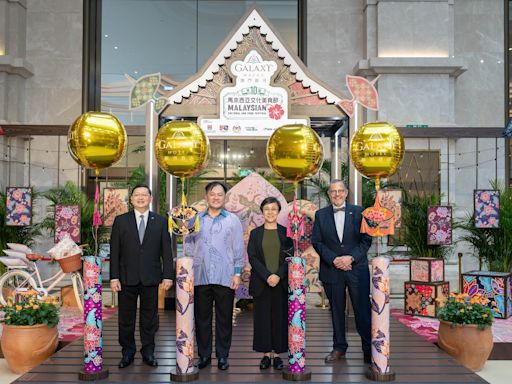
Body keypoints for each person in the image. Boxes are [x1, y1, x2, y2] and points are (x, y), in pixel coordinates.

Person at [110, 184, 174, 369]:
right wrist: (114, 277)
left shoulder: (161, 221)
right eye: (136, 195)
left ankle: (148, 351)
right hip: (126, 278)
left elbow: (166, 252)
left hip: (151, 278)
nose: (140, 198)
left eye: (144, 195)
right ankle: (127, 352)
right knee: (126, 318)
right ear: (131, 199)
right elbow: (115, 252)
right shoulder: (121, 221)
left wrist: (167, 276)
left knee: (149, 318)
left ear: (150, 198)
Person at [184, 181, 244, 370]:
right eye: (212, 194)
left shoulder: (232, 220)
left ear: (224, 197)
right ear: (206, 197)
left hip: (225, 276)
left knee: (224, 318)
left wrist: (237, 273)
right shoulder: (195, 219)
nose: (216, 197)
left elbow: (238, 249)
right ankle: (203, 356)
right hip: (200, 276)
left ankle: (223, 355)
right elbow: (188, 247)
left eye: (220, 194)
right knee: (202, 319)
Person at [311, 179, 372, 364]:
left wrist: (350, 258)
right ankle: (339, 347)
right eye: (333, 191)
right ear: (329, 194)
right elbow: (317, 241)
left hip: (356, 268)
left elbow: (366, 240)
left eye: (340, 191)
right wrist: (334, 260)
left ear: (346, 193)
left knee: (362, 310)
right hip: (332, 270)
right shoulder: (321, 215)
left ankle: (368, 349)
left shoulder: (360, 212)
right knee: (336, 311)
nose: (336, 194)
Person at [248, 197, 293, 370]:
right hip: (262, 282)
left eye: (274, 209)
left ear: (278, 211)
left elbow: (289, 256)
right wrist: (267, 276)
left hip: (280, 282)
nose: (270, 212)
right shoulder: (255, 233)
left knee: (279, 318)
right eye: (267, 209)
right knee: (262, 319)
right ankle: (266, 354)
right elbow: (252, 257)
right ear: (262, 211)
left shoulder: (286, 232)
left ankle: (277, 354)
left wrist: (278, 275)